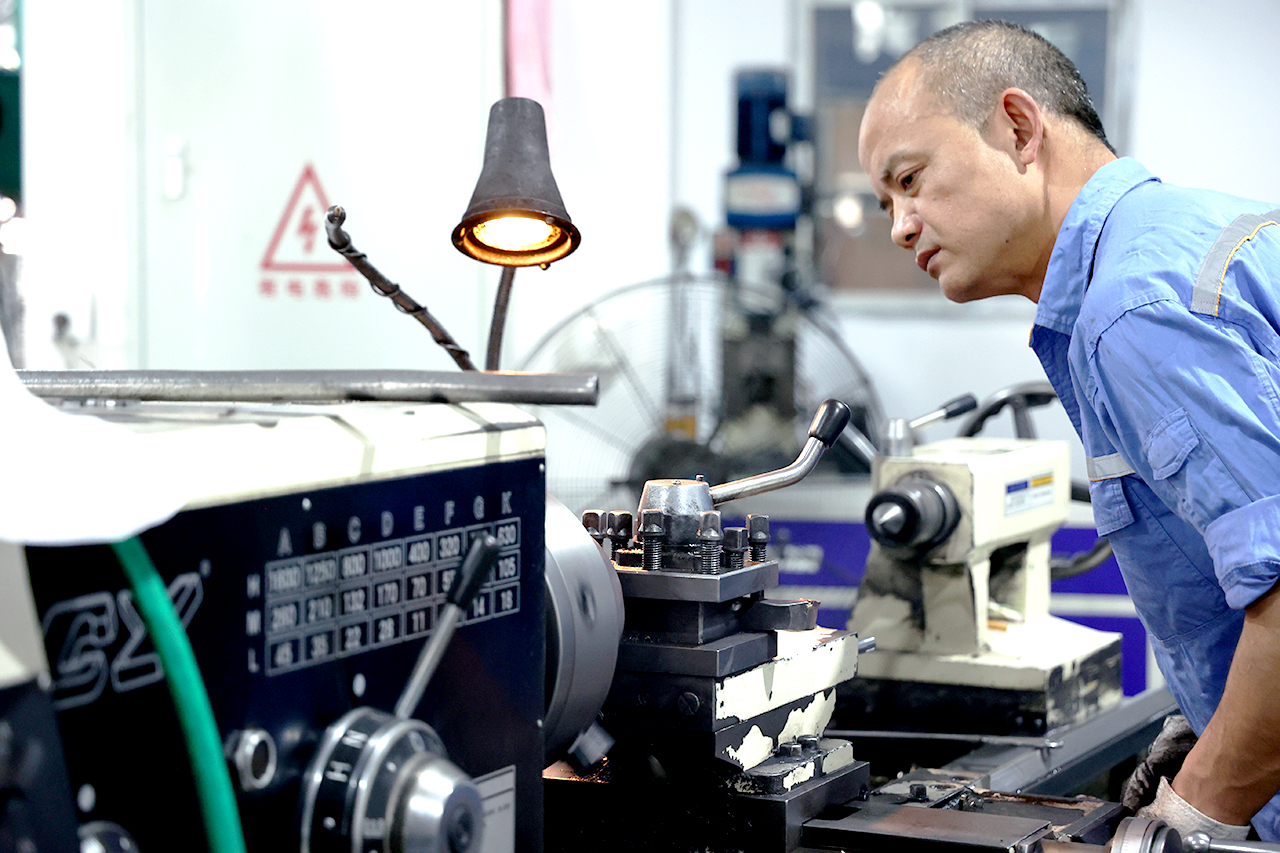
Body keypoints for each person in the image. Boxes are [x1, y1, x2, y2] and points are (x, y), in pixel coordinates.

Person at [857, 19, 1280, 841]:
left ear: (1019, 128)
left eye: (910, 179)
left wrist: (1195, 811)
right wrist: (1212, 725)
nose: (901, 224)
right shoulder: (1195, 235)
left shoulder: (1132, 308)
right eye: (886, 203)